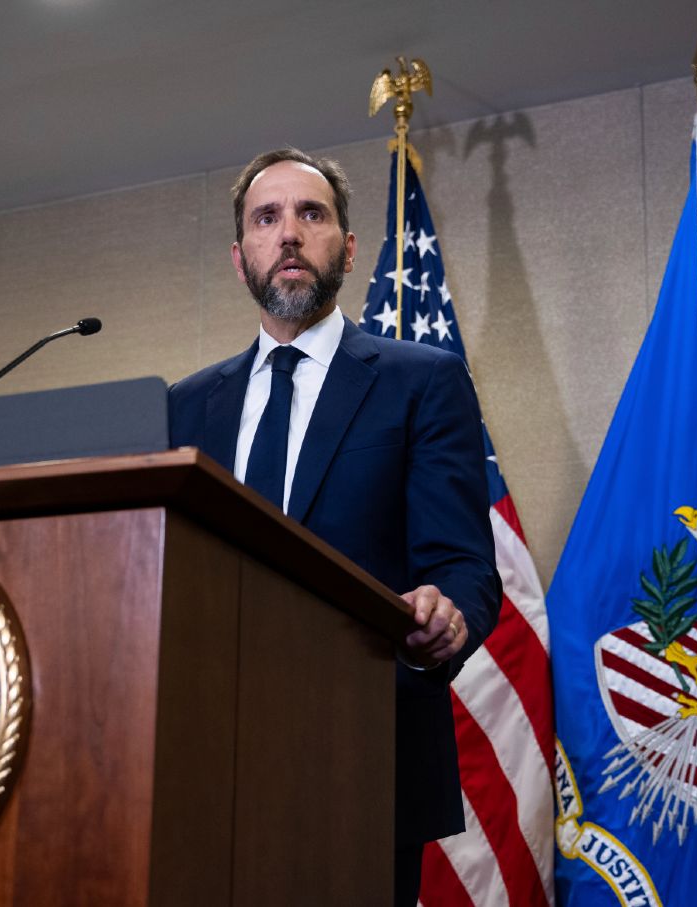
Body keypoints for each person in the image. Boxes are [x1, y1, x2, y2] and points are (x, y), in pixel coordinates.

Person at [168, 148, 501, 906]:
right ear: (239, 256)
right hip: (201, 762)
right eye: (267, 217)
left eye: (311, 214)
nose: (289, 233)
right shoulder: (186, 406)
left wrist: (445, 618)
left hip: (363, 756)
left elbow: (463, 567)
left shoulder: (422, 381)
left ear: (349, 249)